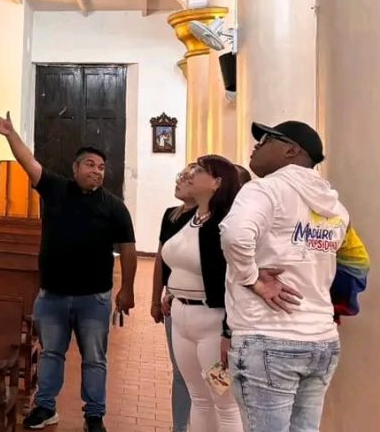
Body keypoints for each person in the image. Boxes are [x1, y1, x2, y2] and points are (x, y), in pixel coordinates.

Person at [0, 111, 137, 432]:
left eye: (101, 167)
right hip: (53, 294)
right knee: (52, 353)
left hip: (94, 297)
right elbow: (29, 162)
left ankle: (94, 415)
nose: (96, 171)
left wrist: (127, 288)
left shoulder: (114, 206)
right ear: (75, 168)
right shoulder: (56, 189)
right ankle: (45, 407)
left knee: (94, 358)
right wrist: (11, 134)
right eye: (90, 165)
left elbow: (127, 247)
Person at [220, 121, 351, 432]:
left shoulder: (264, 190)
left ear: (291, 150)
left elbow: (235, 235)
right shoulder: (336, 208)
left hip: (268, 335)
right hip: (321, 340)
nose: (256, 145)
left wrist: (252, 278)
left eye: (266, 139)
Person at [163, 156, 244, 432]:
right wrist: (174, 290)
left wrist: (228, 331)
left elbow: (233, 279)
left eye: (199, 170)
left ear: (216, 182)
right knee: (198, 397)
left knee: (224, 402)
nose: (191, 174)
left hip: (213, 321)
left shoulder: (225, 224)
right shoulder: (192, 218)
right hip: (182, 316)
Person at [150, 170, 196, 432]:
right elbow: (161, 258)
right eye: (181, 175)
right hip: (174, 302)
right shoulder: (171, 215)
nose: (179, 179)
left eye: (188, 177)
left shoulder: (214, 218)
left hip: (205, 307)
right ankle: (179, 427)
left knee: (211, 375)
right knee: (180, 371)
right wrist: (156, 300)